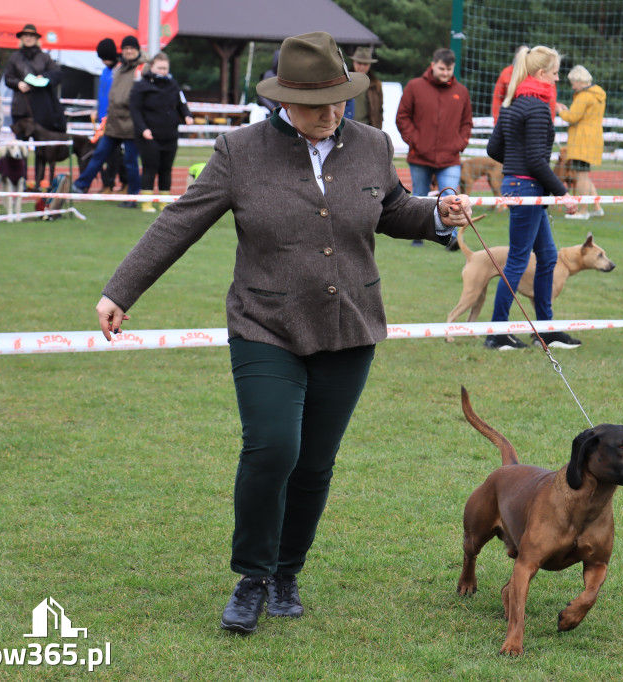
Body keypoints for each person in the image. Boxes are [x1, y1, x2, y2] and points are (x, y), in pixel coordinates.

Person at [93, 31, 471, 636]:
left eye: (341, 99)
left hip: (351, 325)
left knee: (316, 462)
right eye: (316, 103)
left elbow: (393, 207)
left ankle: (287, 572)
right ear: (283, 101)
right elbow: (180, 222)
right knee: (273, 449)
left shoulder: (372, 144)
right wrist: (121, 289)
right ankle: (251, 576)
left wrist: (436, 215)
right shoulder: (239, 151)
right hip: (264, 322)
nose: (331, 113)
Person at [484, 46, 579, 351]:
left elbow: (494, 149)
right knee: (517, 261)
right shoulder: (537, 107)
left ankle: (546, 331)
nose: (558, 77)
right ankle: (497, 333)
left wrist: (515, 166)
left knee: (548, 257)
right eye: (554, 72)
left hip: (519, 185)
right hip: (527, 188)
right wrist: (564, 194)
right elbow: (538, 161)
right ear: (541, 75)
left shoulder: (512, 104)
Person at [396, 47, 472, 246]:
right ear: (432, 65)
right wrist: (415, 141)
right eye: (441, 68)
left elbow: (467, 123)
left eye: (449, 69)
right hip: (420, 155)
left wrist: (459, 144)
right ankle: (417, 235)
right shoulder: (414, 86)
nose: (445, 73)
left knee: (452, 198)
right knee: (419, 196)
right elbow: (402, 116)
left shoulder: (461, 92)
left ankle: (452, 237)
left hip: (450, 157)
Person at [73, 35, 145, 207]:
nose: (128, 51)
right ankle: (79, 185)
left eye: (131, 48)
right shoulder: (118, 69)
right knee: (99, 155)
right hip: (112, 121)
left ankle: (133, 196)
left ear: (137, 50)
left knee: (130, 161)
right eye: (126, 48)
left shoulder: (141, 69)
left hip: (130, 122)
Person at [129, 51, 193, 212]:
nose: (163, 71)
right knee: (150, 167)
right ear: (152, 67)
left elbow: (181, 103)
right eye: (160, 68)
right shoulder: (141, 86)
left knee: (166, 168)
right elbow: (135, 110)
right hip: (149, 135)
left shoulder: (173, 85)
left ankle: (165, 202)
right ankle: (147, 203)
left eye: (165, 68)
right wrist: (143, 129)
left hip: (169, 134)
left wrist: (187, 115)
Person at [4, 24, 66, 189]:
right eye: (25, 35)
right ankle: (20, 181)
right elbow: (7, 78)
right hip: (21, 109)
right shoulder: (15, 57)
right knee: (21, 149)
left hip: (41, 110)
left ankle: (40, 182)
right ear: (22, 38)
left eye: (31, 35)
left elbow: (57, 74)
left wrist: (43, 77)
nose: (28, 38)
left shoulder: (44, 57)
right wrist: (18, 84)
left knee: (42, 150)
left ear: (37, 38)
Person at [556, 65, 606, 220]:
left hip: (582, 141)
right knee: (584, 174)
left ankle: (583, 211)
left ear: (579, 80)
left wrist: (560, 111)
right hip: (593, 139)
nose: (572, 86)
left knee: (581, 177)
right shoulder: (598, 93)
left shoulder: (584, 96)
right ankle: (597, 207)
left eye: (573, 82)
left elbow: (573, 117)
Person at [92, 38, 127, 195]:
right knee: (107, 154)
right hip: (103, 120)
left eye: (106, 57)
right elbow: (101, 94)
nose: (104, 61)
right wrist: (96, 109)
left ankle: (120, 183)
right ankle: (109, 183)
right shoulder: (105, 72)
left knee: (116, 155)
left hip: (117, 120)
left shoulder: (120, 70)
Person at [348, 47, 382, 130]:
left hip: (367, 130)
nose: (362, 67)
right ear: (354, 62)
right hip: (346, 128)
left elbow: (379, 112)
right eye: (359, 63)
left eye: (365, 64)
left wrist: (377, 131)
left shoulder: (376, 85)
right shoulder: (344, 82)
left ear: (370, 65)